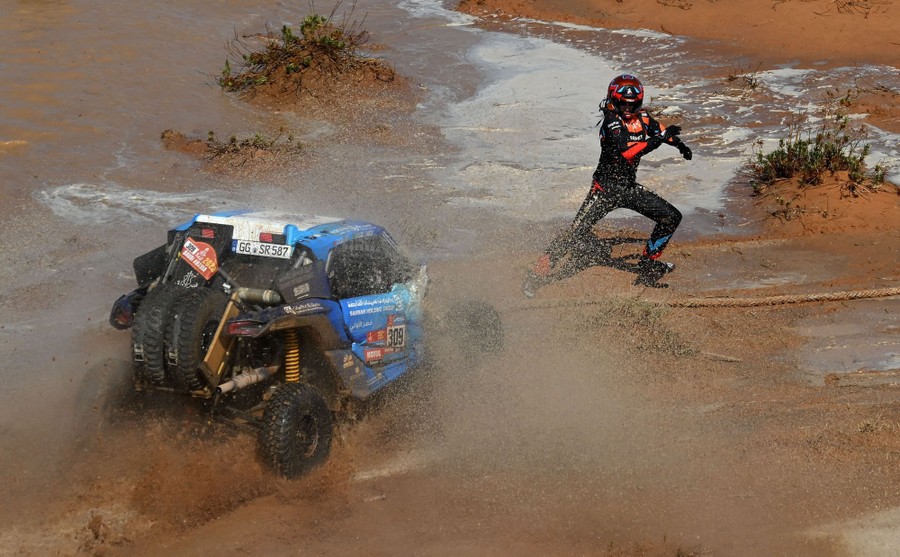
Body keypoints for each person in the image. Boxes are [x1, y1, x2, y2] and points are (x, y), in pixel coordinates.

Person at [522, 73, 693, 297]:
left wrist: (678, 144)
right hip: (604, 191)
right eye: (624, 104)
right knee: (574, 234)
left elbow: (660, 129)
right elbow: (627, 152)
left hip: (628, 189)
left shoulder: (641, 117)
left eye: (633, 104)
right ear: (614, 100)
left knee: (671, 217)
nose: (628, 109)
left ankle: (648, 263)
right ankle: (535, 276)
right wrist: (658, 140)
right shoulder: (612, 121)